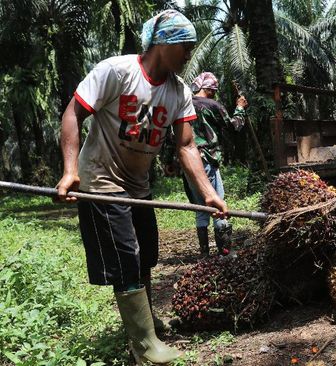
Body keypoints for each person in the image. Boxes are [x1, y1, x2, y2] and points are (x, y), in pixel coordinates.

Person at [55, 10, 226, 364]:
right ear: (164, 43)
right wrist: (70, 170)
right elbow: (73, 113)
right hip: (101, 180)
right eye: (187, 48)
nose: (190, 56)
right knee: (126, 257)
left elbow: (186, 145)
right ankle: (144, 346)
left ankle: (147, 324)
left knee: (146, 255)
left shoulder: (178, 91)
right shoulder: (117, 71)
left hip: (138, 186)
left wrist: (209, 193)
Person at [162, 71, 247, 257]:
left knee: (201, 207)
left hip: (187, 163)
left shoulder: (182, 105)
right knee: (218, 204)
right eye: (213, 89)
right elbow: (235, 127)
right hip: (206, 160)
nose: (215, 92)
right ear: (208, 89)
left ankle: (205, 255)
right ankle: (225, 252)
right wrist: (240, 108)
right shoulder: (212, 106)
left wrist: (169, 160)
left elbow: (170, 136)